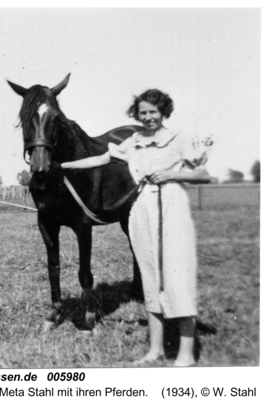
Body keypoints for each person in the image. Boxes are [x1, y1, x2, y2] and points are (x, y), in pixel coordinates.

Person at [61, 89, 211, 367]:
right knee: (150, 278)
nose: (148, 117)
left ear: (163, 111)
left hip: (170, 205)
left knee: (177, 275)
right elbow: (102, 159)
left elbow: (203, 174)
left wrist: (172, 173)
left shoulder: (178, 139)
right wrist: (63, 166)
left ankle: (186, 354)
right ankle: (154, 350)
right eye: (143, 112)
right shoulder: (135, 141)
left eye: (153, 112)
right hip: (142, 207)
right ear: (136, 114)